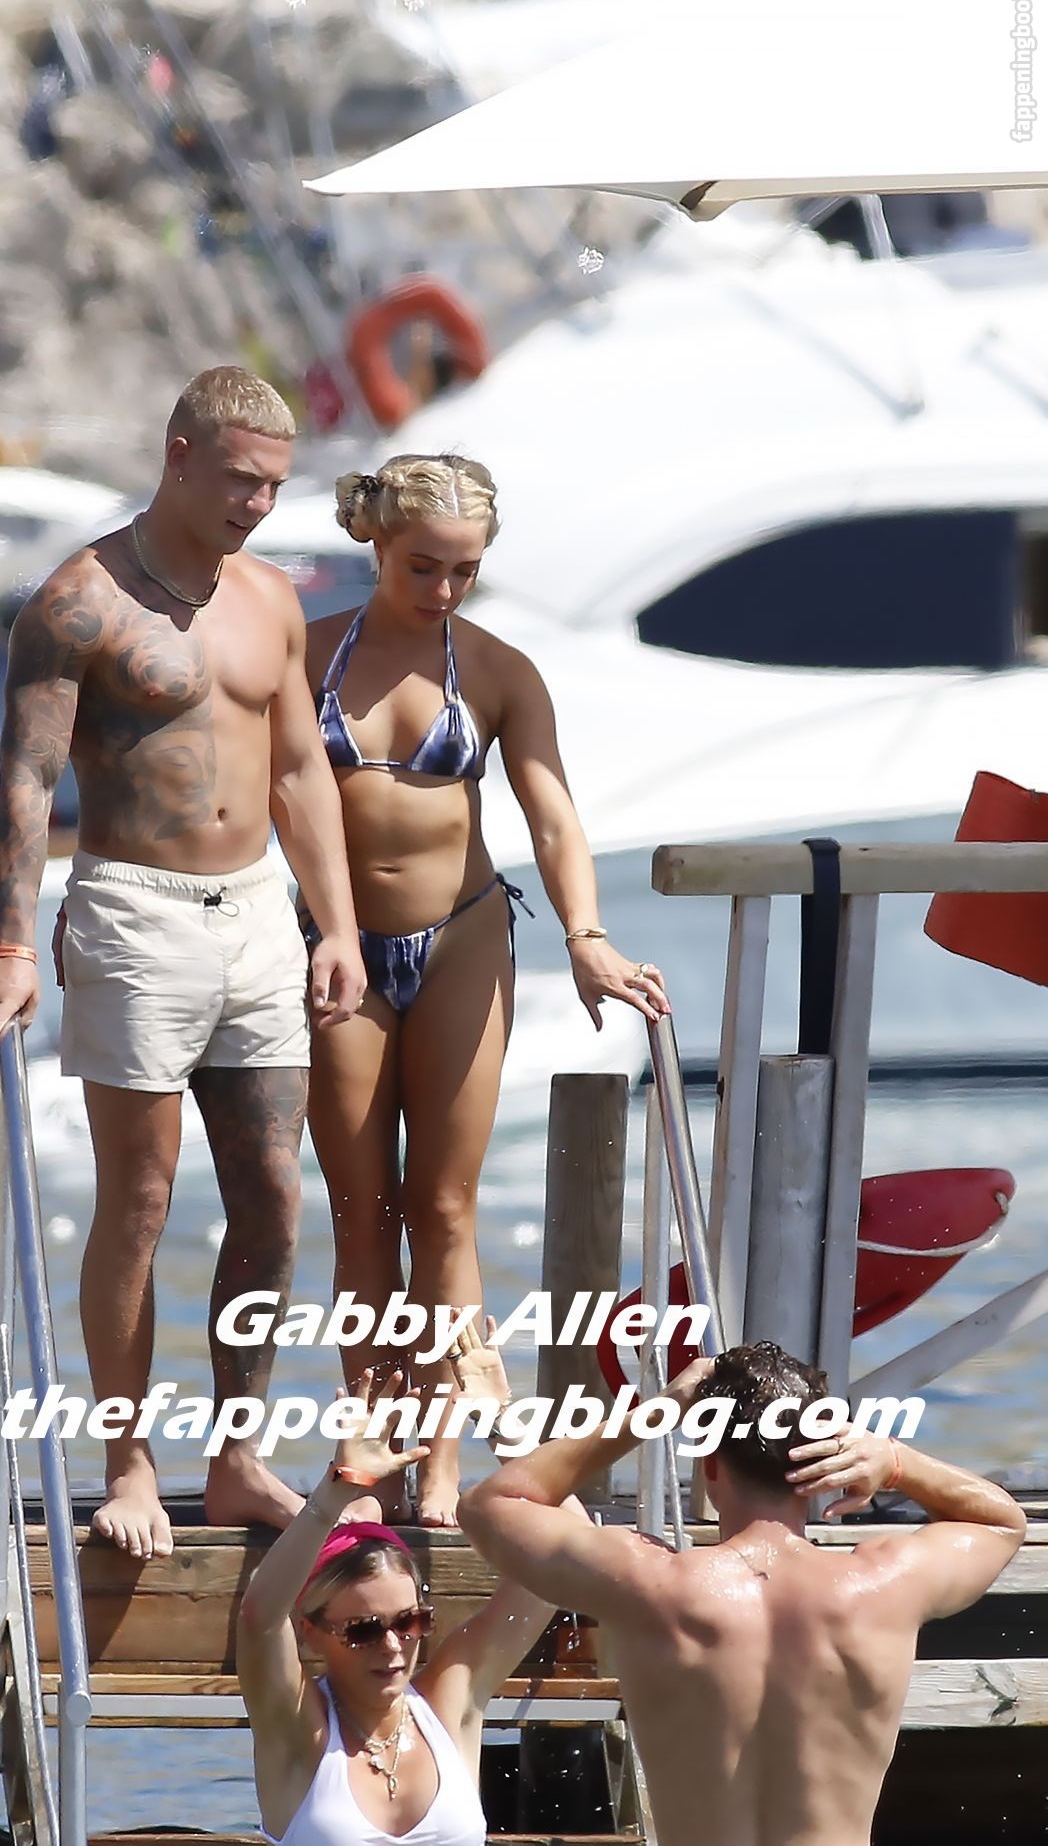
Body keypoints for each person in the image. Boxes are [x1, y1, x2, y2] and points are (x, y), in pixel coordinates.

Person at [0, 367, 366, 1558]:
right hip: (135, 912)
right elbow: (27, 779)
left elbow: (297, 769)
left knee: (273, 1197)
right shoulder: (78, 602)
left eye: (274, 486)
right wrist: (11, 940)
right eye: (240, 480)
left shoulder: (270, 598)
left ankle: (237, 1457)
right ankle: (128, 1461)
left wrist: (335, 925)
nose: (257, 504)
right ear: (178, 455)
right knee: (138, 1201)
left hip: (254, 913)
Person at [304, 454, 669, 1527]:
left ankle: (442, 1454)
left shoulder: (500, 671)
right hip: (335, 945)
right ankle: (367, 1435)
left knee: (443, 1205)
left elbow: (552, 815)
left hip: (463, 937)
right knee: (361, 1212)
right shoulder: (308, 655)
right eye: (424, 566)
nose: (444, 589)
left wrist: (586, 936)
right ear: (378, 543)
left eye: (464, 571)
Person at [458, 1339, 1027, 1846]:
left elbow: (492, 1504)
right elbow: (1001, 1522)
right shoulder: (883, 1585)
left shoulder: (651, 1585)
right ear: (825, 1464)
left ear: (709, 1465)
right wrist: (896, 1461)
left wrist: (655, 1411)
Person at [238, 1340, 556, 1846]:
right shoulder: (297, 1728)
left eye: (410, 1622)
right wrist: (334, 1493)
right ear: (311, 1632)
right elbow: (259, 1617)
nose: (392, 1646)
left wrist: (503, 1424)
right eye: (363, 1630)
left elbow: (563, 1561)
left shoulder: (450, 1701)